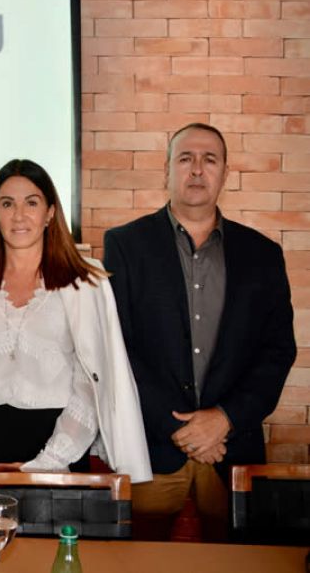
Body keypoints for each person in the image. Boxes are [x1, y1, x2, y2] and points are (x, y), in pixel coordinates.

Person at [103, 123, 296, 541]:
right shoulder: (125, 245)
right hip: (151, 447)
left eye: (209, 160)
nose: (196, 169)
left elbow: (278, 351)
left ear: (225, 173)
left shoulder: (263, 254)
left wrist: (225, 419)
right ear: (167, 169)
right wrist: (181, 430)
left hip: (233, 450)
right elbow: (116, 347)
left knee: (237, 562)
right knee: (137, 563)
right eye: (185, 158)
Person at [0, 159, 151, 483]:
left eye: (32, 203)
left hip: (60, 448)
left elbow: (91, 384)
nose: (19, 215)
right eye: (7, 204)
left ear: (50, 212)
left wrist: (50, 461)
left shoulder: (86, 283)